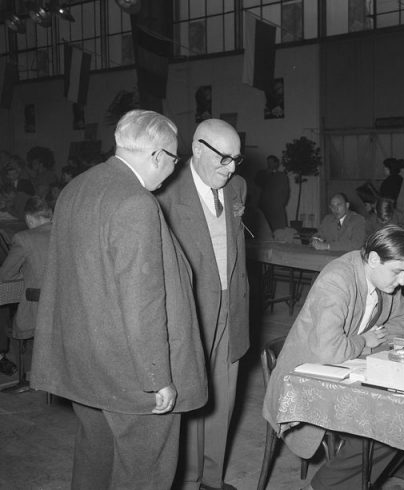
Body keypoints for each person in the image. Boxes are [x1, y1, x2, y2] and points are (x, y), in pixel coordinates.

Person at [30, 109, 207, 490]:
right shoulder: (135, 202)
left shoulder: (76, 188)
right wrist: (159, 377)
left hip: (85, 363)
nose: (173, 170)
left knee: (95, 457)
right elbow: (142, 301)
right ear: (158, 155)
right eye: (174, 160)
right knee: (145, 473)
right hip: (130, 374)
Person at [263, 225, 404, 490]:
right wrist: (365, 342)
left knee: (399, 420)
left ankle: (339, 483)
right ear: (372, 259)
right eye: (398, 272)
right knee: (387, 425)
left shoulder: (384, 279)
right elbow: (328, 350)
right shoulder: (337, 278)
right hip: (304, 380)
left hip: (347, 370)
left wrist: (373, 337)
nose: (403, 282)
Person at [157, 118, 250, 490]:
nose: (230, 169)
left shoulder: (238, 186)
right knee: (193, 397)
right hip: (190, 307)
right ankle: (191, 480)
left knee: (223, 397)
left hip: (232, 305)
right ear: (197, 149)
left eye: (236, 160)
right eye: (223, 159)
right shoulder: (165, 190)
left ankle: (213, 479)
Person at [0, 196, 52, 345]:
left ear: (29, 218)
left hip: (38, 310)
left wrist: (26, 272)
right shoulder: (67, 234)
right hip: (67, 309)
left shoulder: (24, 238)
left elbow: (5, 275)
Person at [255, 154, 289, 231]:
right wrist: (267, 173)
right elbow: (257, 182)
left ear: (276, 163)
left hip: (277, 206)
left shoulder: (282, 175)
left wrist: (282, 203)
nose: (269, 164)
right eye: (268, 162)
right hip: (264, 205)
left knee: (279, 228)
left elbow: (286, 190)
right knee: (264, 228)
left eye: (271, 162)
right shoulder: (262, 173)